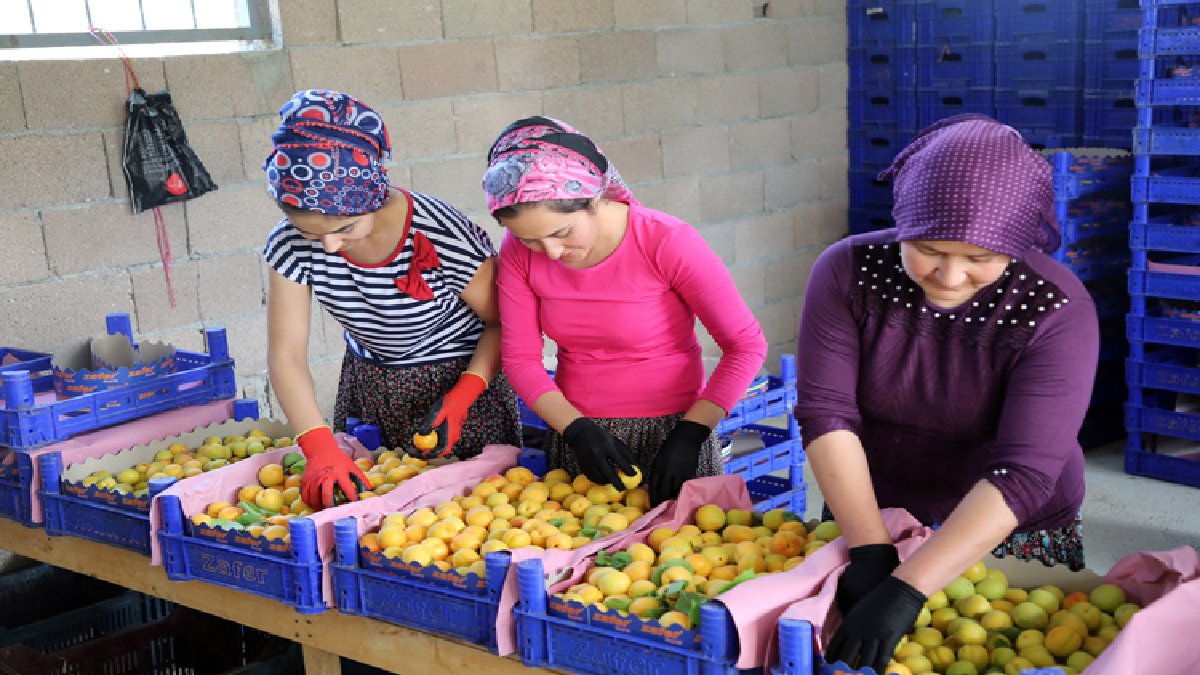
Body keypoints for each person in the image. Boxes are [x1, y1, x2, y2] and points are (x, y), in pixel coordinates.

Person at [794, 114, 1100, 672]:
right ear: (902, 222)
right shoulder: (847, 271)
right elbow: (826, 414)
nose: (950, 275)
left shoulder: (1056, 308)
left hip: (1003, 523)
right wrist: (868, 549)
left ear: (1017, 244)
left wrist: (908, 589)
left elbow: (1024, 471)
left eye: (980, 258)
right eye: (930, 247)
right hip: (872, 507)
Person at [485, 116, 767, 504]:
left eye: (561, 233)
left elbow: (746, 345)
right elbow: (520, 359)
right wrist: (577, 431)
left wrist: (692, 433)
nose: (549, 253)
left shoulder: (665, 241)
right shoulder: (517, 253)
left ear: (595, 200)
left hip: (674, 434)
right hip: (581, 437)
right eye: (529, 240)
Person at [262, 90, 520, 509]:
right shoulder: (289, 244)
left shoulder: (440, 233)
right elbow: (287, 353)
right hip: (369, 385)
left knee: (462, 514)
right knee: (376, 511)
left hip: (456, 387)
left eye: (345, 228)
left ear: (374, 197)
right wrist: (317, 445)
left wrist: (463, 395)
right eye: (311, 233)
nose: (328, 246)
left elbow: (504, 322)